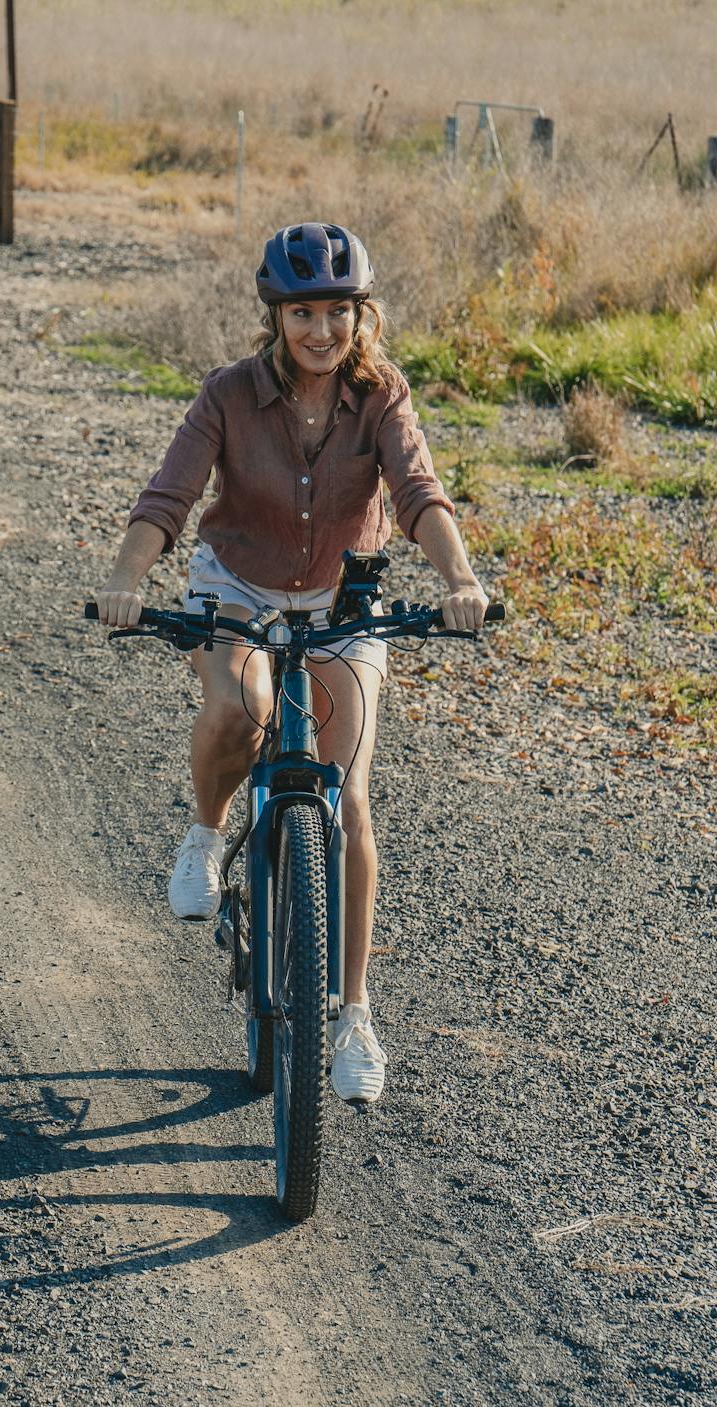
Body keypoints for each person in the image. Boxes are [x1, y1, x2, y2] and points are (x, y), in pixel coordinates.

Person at [90, 222, 488, 1106]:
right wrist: (125, 579)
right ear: (275, 316)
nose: (320, 331)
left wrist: (460, 577)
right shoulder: (228, 394)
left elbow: (419, 493)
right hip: (239, 584)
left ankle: (352, 1015)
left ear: (361, 315)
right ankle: (204, 837)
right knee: (240, 713)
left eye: (337, 312)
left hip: (346, 601)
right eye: (302, 312)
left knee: (346, 799)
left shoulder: (382, 394)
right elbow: (170, 497)